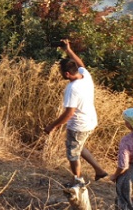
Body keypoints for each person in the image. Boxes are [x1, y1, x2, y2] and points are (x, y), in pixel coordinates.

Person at [43, 39, 110, 183]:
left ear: (67, 74)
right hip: (90, 120)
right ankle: (99, 171)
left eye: (61, 72)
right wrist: (69, 50)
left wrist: (52, 126)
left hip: (79, 125)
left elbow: (69, 113)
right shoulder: (85, 76)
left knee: (73, 155)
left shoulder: (72, 89)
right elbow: (81, 64)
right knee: (78, 146)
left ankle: (78, 181)